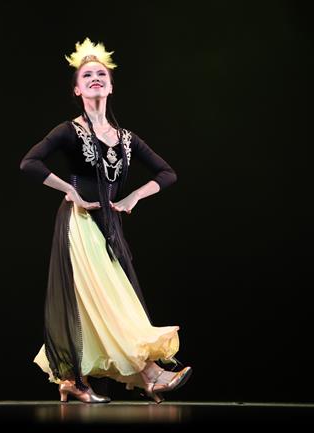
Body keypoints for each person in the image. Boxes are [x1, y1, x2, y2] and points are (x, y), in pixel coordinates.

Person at [19, 38, 192, 404]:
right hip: (79, 223)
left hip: (109, 226)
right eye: (87, 75)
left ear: (110, 86)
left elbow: (167, 173)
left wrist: (133, 197)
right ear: (77, 89)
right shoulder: (69, 131)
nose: (95, 78)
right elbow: (29, 163)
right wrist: (70, 190)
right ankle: (150, 374)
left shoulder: (126, 139)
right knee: (109, 301)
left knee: (100, 303)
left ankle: (72, 378)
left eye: (101, 74)